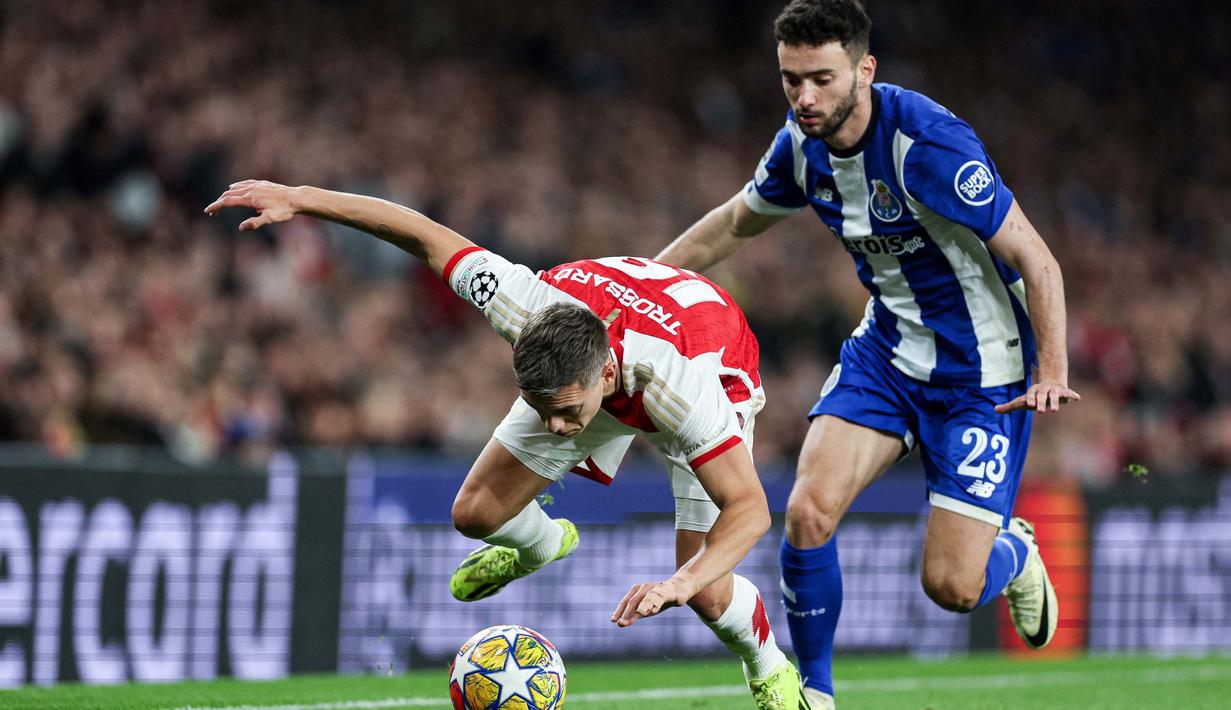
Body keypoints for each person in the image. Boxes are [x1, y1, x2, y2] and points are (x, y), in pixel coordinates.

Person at [206, 180, 810, 709]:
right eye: (543, 410)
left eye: (565, 412)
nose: (553, 428)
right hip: (613, 332)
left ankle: (769, 669)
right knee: (476, 514)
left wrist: (677, 583)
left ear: (603, 379)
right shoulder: (522, 303)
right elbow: (418, 232)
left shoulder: (685, 392)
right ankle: (540, 545)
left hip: (712, 351)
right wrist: (301, 199)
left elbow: (751, 510)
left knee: (706, 588)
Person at [654, 1, 1080, 707]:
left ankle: (1016, 551)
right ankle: (814, 692)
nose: (804, 98)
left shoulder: (928, 144)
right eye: (790, 80)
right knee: (806, 514)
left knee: (951, 587)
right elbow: (732, 224)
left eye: (821, 79)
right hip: (885, 354)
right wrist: (638, 286)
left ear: (864, 69)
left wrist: (1053, 370)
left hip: (983, 374)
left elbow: (1036, 258)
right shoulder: (798, 144)